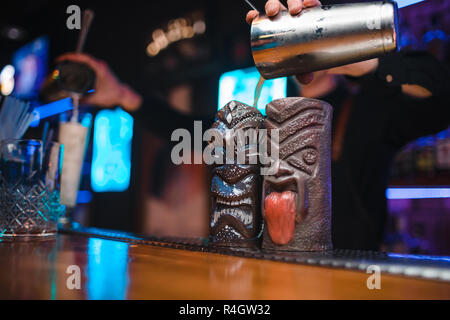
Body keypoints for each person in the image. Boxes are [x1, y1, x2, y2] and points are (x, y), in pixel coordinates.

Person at [56, 0, 450, 250]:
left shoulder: (371, 108)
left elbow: (441, 98)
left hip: (348, 282)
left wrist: (361, 61)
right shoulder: (266, 115)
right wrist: (123, 96)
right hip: (270, 280)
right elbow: (189, 130)